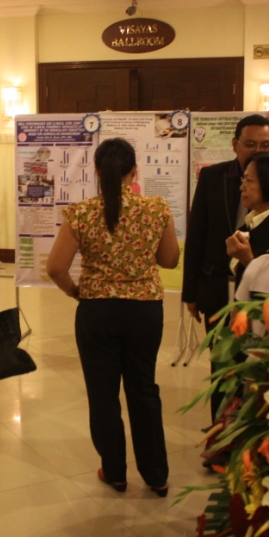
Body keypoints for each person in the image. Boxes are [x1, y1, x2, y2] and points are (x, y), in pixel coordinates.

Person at [46, 138, 180, 497]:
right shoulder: (156, 208)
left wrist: (76, 291)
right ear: (134, 171)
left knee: (103, 393)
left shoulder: (81, 213)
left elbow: (56, 268)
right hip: (144, 310)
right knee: (144, 389)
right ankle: (156, 475)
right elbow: (169, 260)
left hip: (98, 311)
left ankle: (115, 471)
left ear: (96, 171)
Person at [183, 114, 269, 332]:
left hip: (265, 290)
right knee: (220, 350)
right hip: (218, 287)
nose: (258, 151)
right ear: (235, 145)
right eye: (250, 144)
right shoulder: (212, 177)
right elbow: (196, 235)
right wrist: (190, 292)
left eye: (266, 145)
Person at [224, 151, 269, 285]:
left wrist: (247, 260)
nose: (242, 187)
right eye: (243, 180)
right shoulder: (250, 223)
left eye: (249, 181)